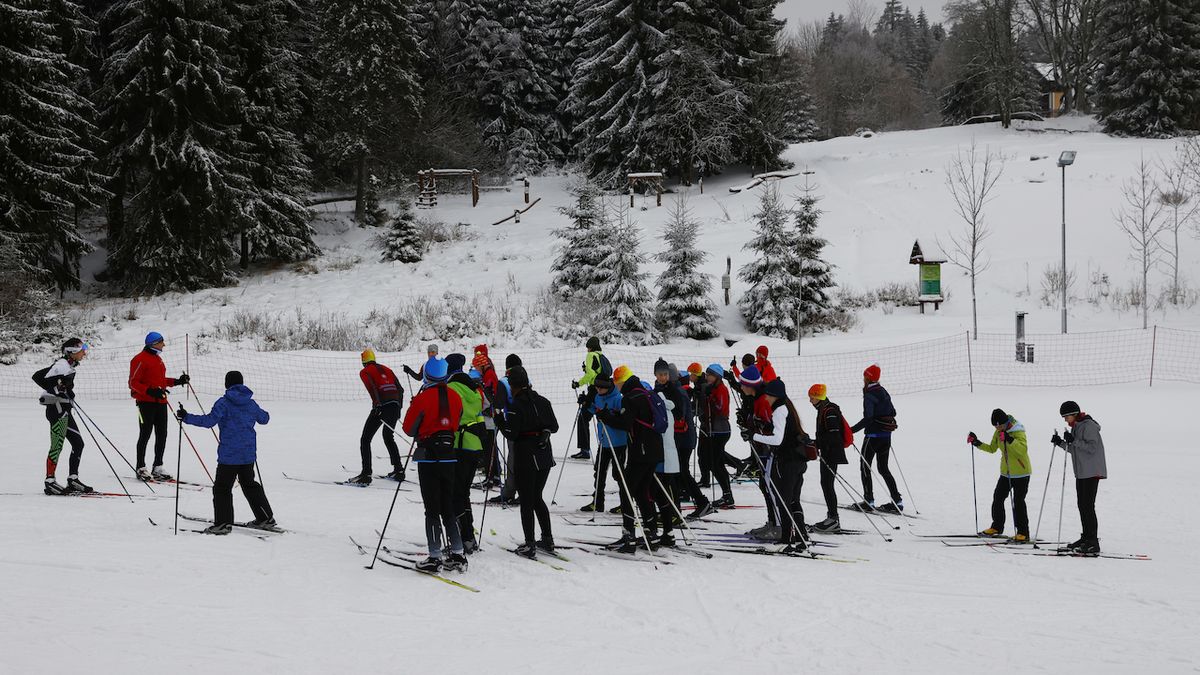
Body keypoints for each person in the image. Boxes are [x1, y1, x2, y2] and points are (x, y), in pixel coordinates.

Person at [178, 371, 275, 534]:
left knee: (222, 488)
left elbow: (208, 421)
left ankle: (223, 524)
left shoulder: (223, 403)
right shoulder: (250, 403)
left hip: (229, 455)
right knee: (250, 485)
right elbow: (264, 419)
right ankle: (266, 518)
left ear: (226, 384)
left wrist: (187, 417)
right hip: (248, 454)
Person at [595, 366, 671, 552]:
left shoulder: (629, 398)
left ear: (621, 382)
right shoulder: (645, 392)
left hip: (641, 451)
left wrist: (606, 417)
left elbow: (625, 424)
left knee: (626, 490)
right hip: (654, 450)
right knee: (642, 491)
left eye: (617, 383)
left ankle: (628, 536)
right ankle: (651, 533)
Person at [402, 358, 468, 573]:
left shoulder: (423, 398)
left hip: (429, 457)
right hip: (450, 455)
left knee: (431, 508)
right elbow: (456, 423)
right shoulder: (455, 396)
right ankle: (458, 553)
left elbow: (408, 429)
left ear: (428, 375)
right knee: (447, 505)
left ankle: (434, 556)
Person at [496, 366, 559, 558]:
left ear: (512, 385)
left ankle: (530, 544)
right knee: (537, 497)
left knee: (526, 500)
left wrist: (499, 420)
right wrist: (544, 432)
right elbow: (554, 426)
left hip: (526, 457)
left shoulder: (516, 406)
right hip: (544, 456)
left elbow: (511, 434)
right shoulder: (543, 401)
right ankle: (547, 540)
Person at [752, 379, 812, 552]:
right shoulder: (787, 407)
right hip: (797, 460)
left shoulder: (779, 410)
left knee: (784, 501)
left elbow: (778, 440)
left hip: (788, 462)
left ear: (774, 395)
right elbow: (786, 432)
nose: (766, 398)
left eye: (768, 395)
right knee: (793, 501)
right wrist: (766, 426)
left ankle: (792, 538)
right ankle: (797, 537)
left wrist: (755, 436)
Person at [33, 339, 92, 495]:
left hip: (64, 410)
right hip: (57, 411)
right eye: (82, 350)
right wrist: (56, 388)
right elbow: (41, 378)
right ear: (72, 352)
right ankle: (50, 481)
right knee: (57, 446)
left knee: (78, 444)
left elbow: (40, 376)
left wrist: (61, 387)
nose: (84, 353)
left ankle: (73, 479)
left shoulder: (66, 365)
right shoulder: (62, 365)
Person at [129, 331, 188, 480]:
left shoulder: (158, 359)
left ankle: (158, 467)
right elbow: (133, 383)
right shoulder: (139, 359)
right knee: (145, 434)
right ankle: (141, 467)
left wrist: (177, 381)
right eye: (161, 342)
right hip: (145, 403)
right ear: (153, 343)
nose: (164, 345)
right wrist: (149, 391)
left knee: (162, 435)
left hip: (161, 402)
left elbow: (160, 380)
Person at [656, 360, 711, 520]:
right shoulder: (672, 389)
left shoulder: (677, 392)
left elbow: (680, 415)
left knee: (681, 472)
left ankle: (701, 503)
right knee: (680, 472)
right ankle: (694, 502)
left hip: (683, 439)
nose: (663, 378)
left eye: (666, 374)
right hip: (681, 438)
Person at [968, 408, 1032, 541]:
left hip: (1021, 473)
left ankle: (1023, 533)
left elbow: (1022, 451)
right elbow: (992, 449)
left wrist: (1009, 439)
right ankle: (997, 526)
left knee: (1018, 502)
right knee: (998, 498)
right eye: (995, 426)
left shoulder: (1018, 431)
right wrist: (976, 442)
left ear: (1006, 422)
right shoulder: (998, 432)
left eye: (1000, 425)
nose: (997, 428)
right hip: (1006, 473)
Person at [1052, 401, 1107, 554]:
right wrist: (1061, 443)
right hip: (1082, 472)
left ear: (1074, 414)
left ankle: (1093, 542)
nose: (1065, 420)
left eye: (1066, 416)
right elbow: (1075, 450)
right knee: (1082, 505)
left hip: (1092, 471)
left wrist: (1073, 440)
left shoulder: (1088, 425)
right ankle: (1086, 537)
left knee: (1088, 506)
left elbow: (1091, 447)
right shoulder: (1077, 426)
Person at [849, 364, 902, 513]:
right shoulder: (883, 391)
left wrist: (851, 430)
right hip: (886, 436)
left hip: (872, 436)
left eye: (865, 376)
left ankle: (868, 501)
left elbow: (868, 418)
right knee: (884, 468)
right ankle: (897, 501)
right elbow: (893, 411)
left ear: (868, 377)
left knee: (865, 466)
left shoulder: (869, 394)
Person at [349, 349, 405, 485]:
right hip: (395, 406)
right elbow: (400, 389)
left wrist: (378, 406)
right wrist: (399, 408)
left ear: (363, 361)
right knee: (388, 436)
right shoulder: (387, 369)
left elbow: (372, 388)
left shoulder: (365, 372)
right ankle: (399, 470)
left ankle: (366, 474)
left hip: (382, 406)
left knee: (365, 439)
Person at [447, 358, 486, 554]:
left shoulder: (452, 388)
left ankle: (464, 537)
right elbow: (480, 415)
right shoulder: (474, 391)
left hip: (458, 445)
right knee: (464, 492)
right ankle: (469, 535)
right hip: (475, 444)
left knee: (456, 494)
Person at [578, 369, 626, 513]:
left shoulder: (618, 398)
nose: (598, 390)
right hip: (604, 441)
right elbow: (597, 411)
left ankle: (626, 503)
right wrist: (587, 404)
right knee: (599, 472)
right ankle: (598, 502)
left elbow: (623, 420)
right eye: (597, 387)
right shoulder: (599, 397)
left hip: (618, 443)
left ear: (608, 386)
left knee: (619, 474)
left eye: (601, 387)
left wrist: (610, 416)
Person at [696, 364, 738, 508]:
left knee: (716, 463)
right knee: (713, 462)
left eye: (710, 375)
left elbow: (720, 409)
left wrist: (708, 398)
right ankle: (727, 494)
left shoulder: (720, 389)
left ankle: (727, 495)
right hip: (713, 430)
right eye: (707, 374)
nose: (707, 377)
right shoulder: (713, 388)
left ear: (717, 376)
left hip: (720, 430)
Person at [809, 384, 849, 533]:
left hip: (832, 452)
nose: (810, 400)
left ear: (818, 396)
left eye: (811, 397)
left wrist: (817, 443)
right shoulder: (824, 408)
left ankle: (833, 519)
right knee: (826, 483)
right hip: (827, 451)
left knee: (827, 484)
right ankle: (832, 517)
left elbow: (834, 435)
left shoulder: (829, 411)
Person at [570, 337, 610, 460]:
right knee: (602, 419)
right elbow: (598, 372)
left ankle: (584, 450)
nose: (587, 349)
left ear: (590, 347)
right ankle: (606, 449)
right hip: (604, 390)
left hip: (594, 390)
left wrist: (578, 383)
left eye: (588, 347)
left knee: (583, 417)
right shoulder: (602, 357)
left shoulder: (590, 355)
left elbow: (591, 374)